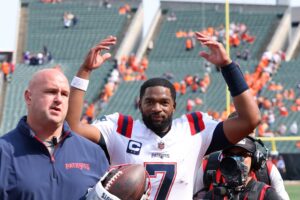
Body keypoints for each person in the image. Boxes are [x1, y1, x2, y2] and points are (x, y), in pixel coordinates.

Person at [66, 34, 261, 199]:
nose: (157, 108)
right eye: (149, 102)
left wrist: (228, 67)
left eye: (164, 103)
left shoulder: (194, 130)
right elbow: (72, 126)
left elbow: (249, 120)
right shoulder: (120, 128)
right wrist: (85, 71)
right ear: (139, 104)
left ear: (174, 106)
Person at [0, 68, 109, 199]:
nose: (59, 99)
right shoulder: (3, 151)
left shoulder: (93, 153)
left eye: (64, 94)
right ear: (29, 97)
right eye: (51, 92)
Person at [194, 136, 289, 200]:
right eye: (230, 155)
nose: (236, 160)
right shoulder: (213, 195)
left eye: (242, 155)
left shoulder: (265, 193)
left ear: (255, 159)